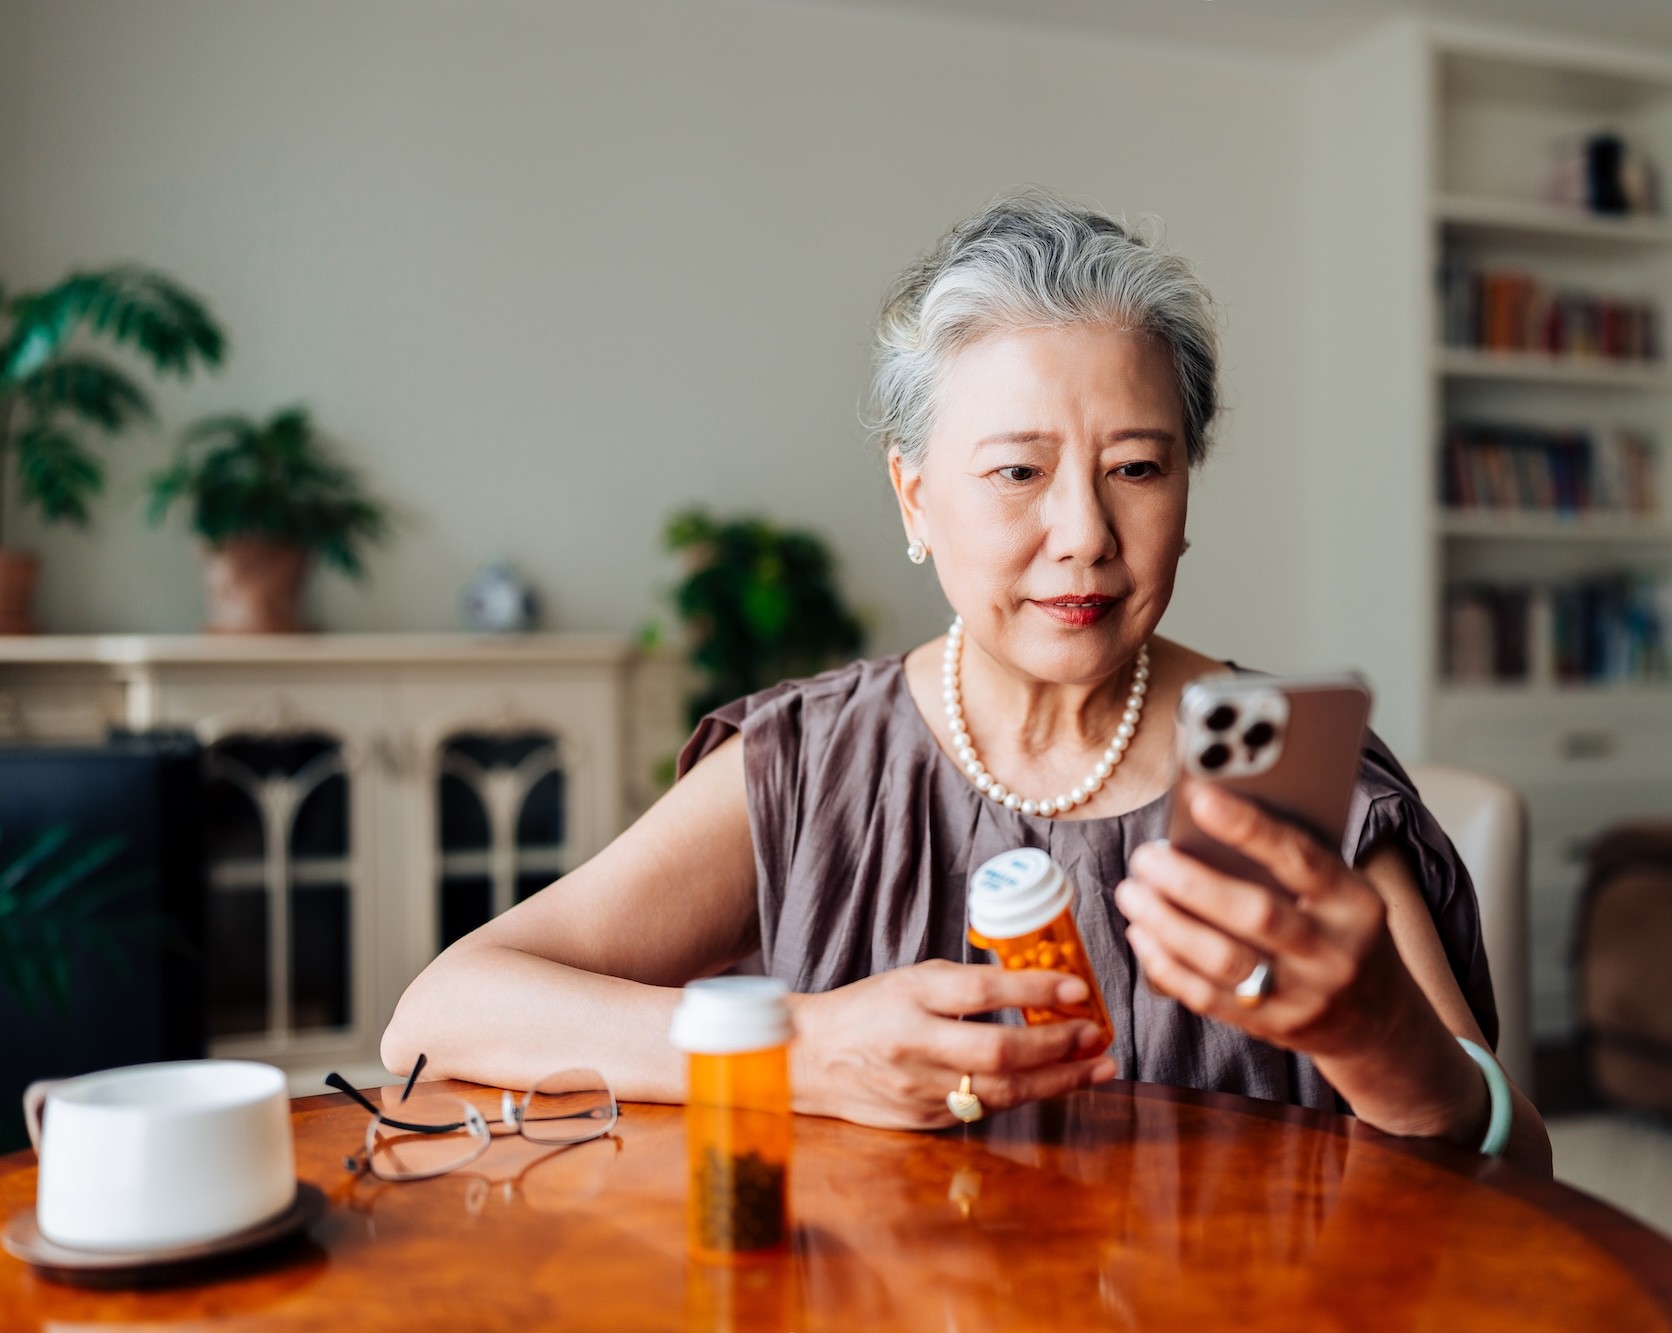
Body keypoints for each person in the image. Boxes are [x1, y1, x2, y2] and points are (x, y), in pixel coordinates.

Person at [384, 190, 1551, 1171]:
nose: (1084, 533)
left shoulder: (1283, 765)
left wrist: (1385, 1040)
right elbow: (437, 1015)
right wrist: (798, 1046)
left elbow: (1521, 1170)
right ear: (913, 499)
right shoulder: (810, 763)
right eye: (1015, 471)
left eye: (1136, 467)